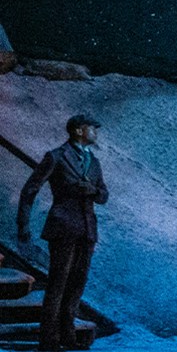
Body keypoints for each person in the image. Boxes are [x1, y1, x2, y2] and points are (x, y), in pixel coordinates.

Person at [17, 114, 107, 352]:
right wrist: (23, 227)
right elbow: (29, 191)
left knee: (77, 283)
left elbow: (104, 195)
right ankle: (48, 341)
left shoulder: (94, 162)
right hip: (63, 227)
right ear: (78, 131)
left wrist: (92, 190)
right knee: (58, 284)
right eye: (92, 129)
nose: (96, 133)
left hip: (87, 230)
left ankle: (68, 335)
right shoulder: (56, 157)